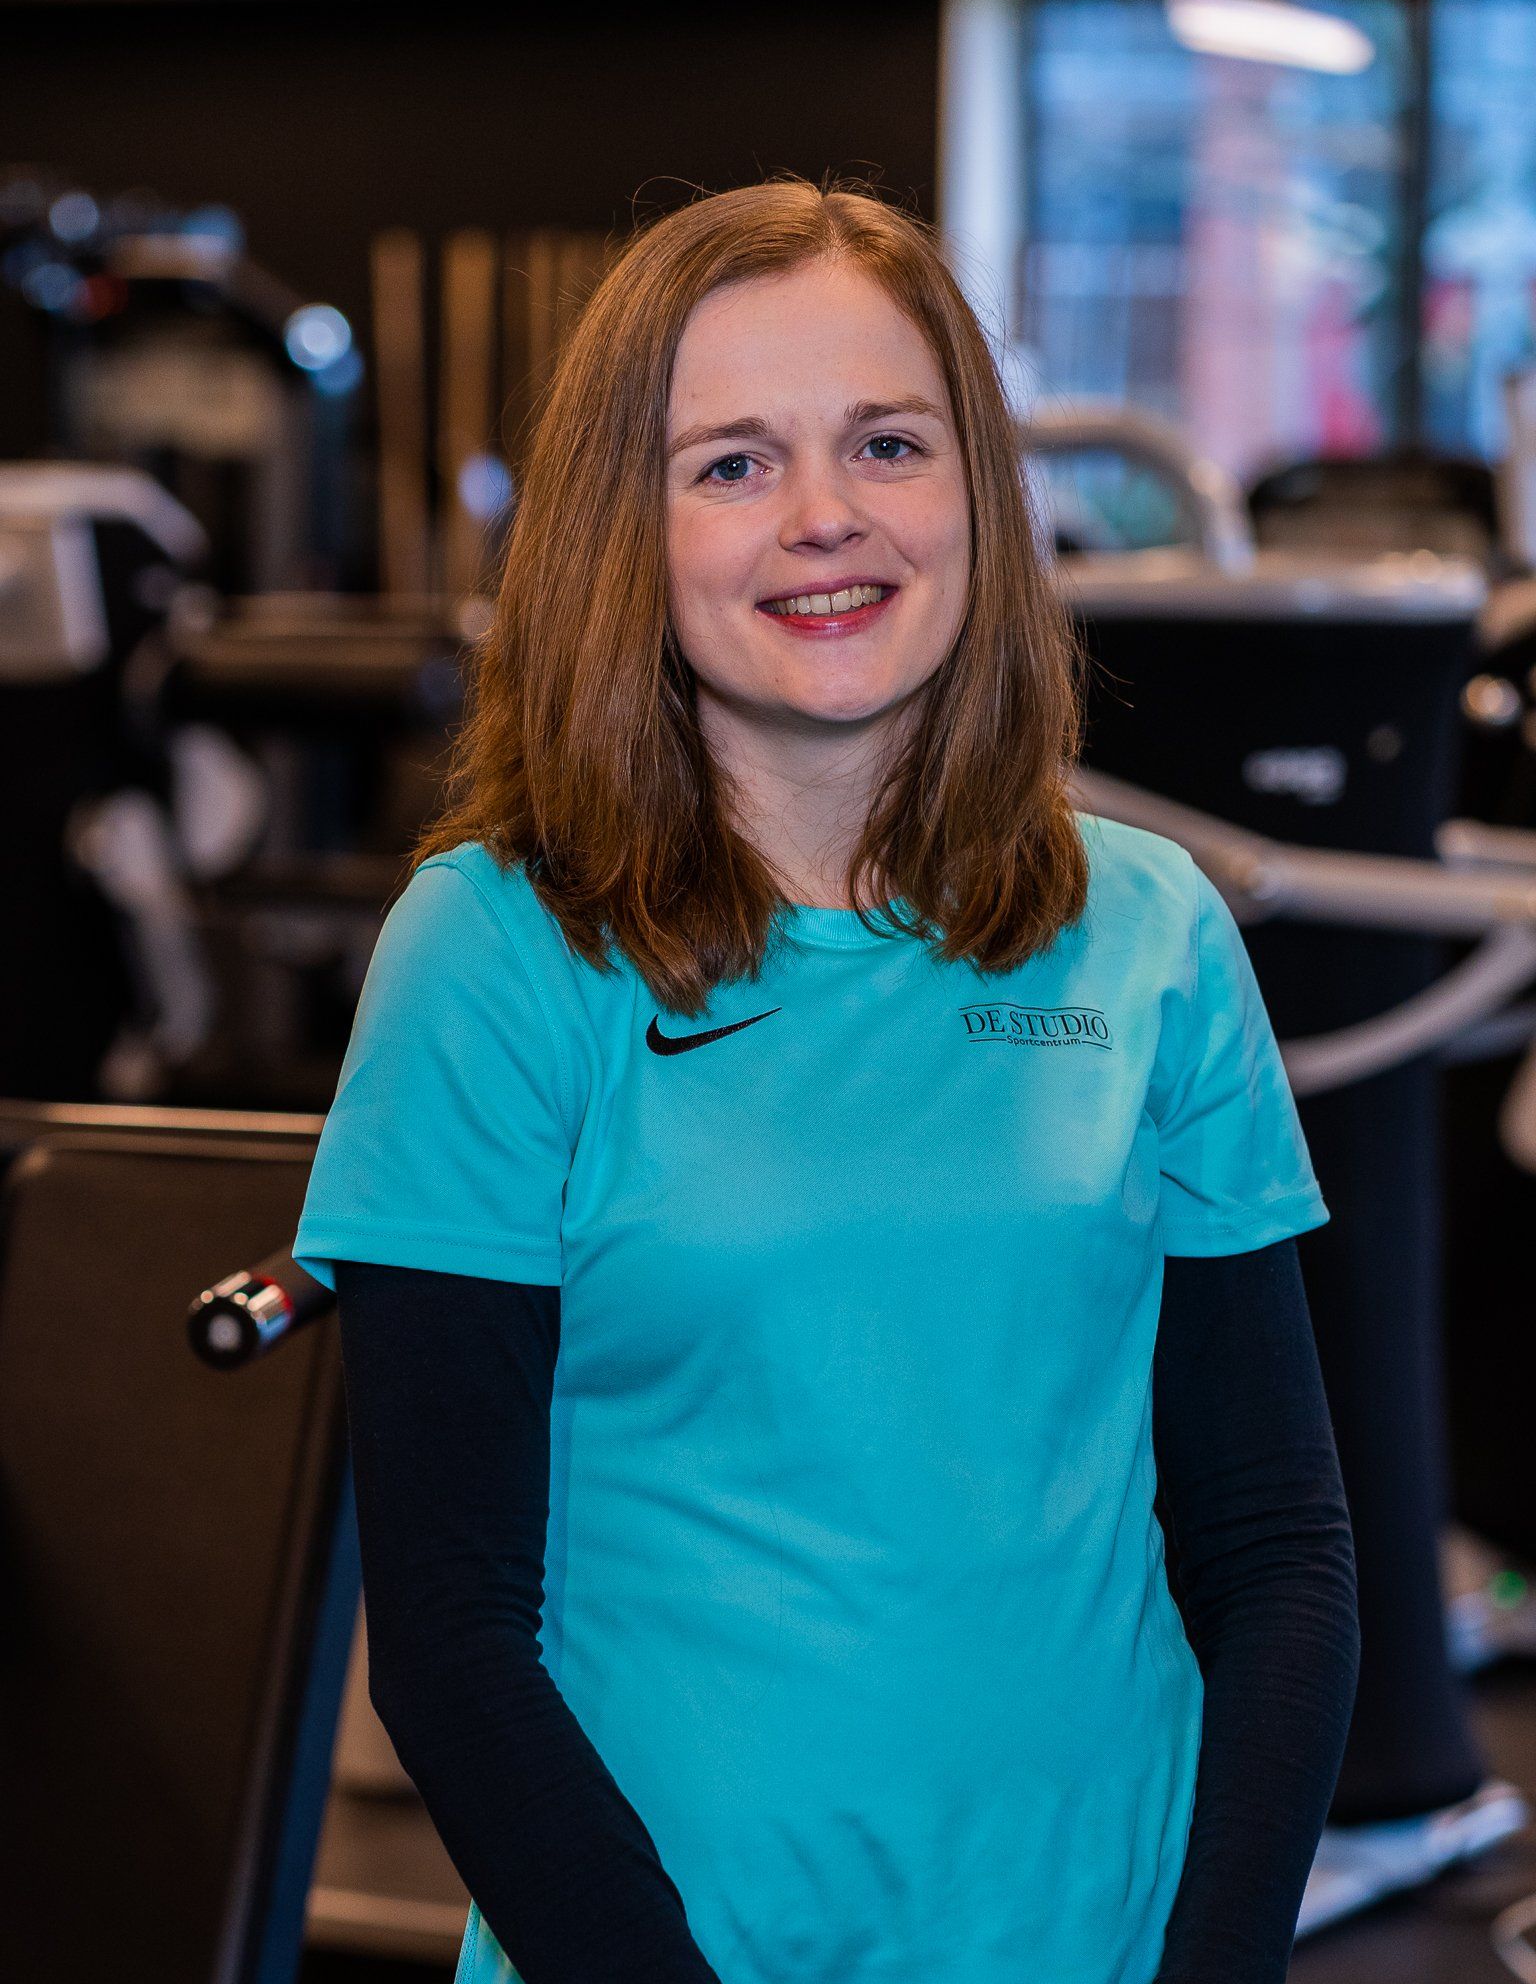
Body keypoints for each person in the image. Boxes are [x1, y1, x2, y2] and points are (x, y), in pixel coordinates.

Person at [292, 177, 1360, 1984]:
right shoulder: (490, 953)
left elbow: (1280, 1552)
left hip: (1104, 1939)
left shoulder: (1150, 934)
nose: (824, 520)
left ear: (979, 496)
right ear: (623, 531)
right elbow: (453, 1641)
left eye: (885, 443)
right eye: (730, 464)